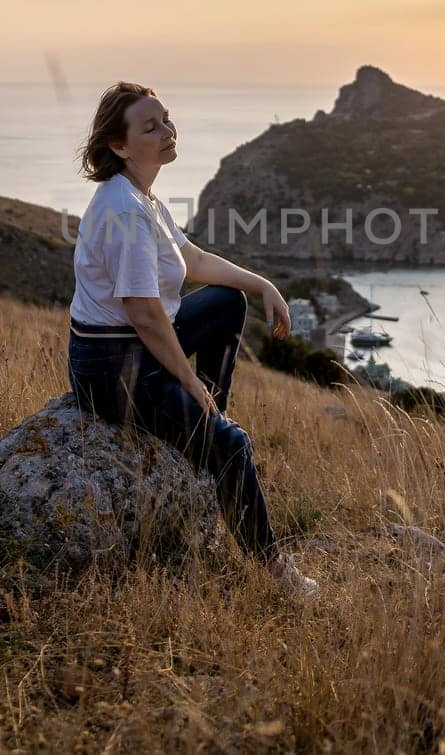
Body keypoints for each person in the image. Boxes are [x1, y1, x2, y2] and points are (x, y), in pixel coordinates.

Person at [66, 81, 319, 597]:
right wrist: (189, 381)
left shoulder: (143, 197)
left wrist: (263, 284)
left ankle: (204, 421)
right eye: (150, 126)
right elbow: (144, 314)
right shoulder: (124, 211)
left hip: (137, 350)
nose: (167, 131)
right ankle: (275, 573)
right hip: (113, 366)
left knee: (229, 301)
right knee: (232, 445)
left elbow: (195, 261)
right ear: (119, 145)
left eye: (167, 118)